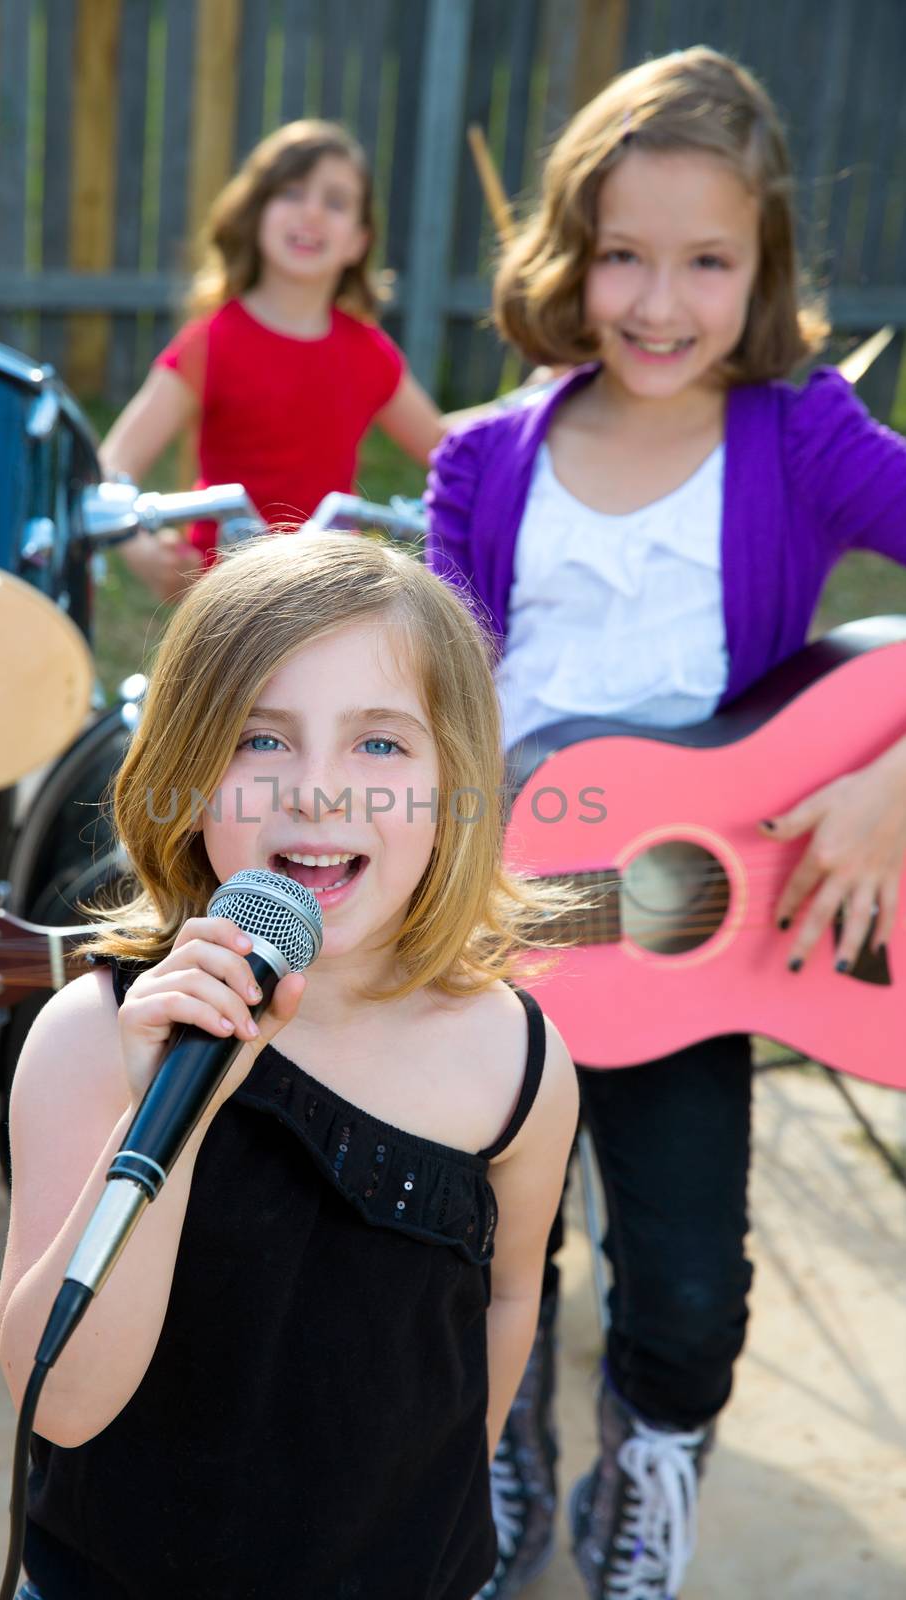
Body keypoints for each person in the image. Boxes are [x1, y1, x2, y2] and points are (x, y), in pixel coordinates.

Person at [424, 45, 906, 1600]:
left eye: (705, 260)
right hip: (498, 930)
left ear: (760, 269)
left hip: (696, 940)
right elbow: (430, 679)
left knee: (687, 1286)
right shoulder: (484, 461)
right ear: (564, 252)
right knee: (473, 1243)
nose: (655, 300)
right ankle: (497, 1444)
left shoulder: (801, 436)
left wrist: (888, 786)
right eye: (620, 253)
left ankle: (651, 1462)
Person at [0, 530, 579, 1599]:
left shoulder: (517, 1058)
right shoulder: (92, 1036)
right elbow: (63, 1399)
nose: (316, 791)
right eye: (259, 742)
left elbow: (502, 1305)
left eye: (380, 745)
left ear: (454, 782)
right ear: (181, 769)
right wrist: (154, 1112)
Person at [99, 119, 444, 600]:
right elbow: (113, 463)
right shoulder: (211, 343)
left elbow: (445, 446)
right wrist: (135, 544)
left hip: (331, 593)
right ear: (257, 212)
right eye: (292, 192)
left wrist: (534, 400)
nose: (312, 213)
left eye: (336, 202)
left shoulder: (369, 352)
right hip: (229, 603)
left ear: (358, 241)